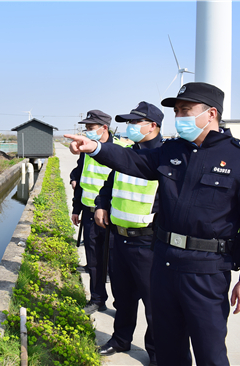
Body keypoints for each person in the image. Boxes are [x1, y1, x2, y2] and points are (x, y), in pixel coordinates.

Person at [64, 82, 240, 366]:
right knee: (168, 349)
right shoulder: (172, 151)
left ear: (211, 113)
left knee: (209, 351)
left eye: (186, 110)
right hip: (164, 264)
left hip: (206, 271)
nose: (180, 117)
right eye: (177, 111)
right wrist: (97, 147)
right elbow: (131, 160)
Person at [94, 102, 164, 366]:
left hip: (148, 241)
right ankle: (121, 339)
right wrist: (101, 205)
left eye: (136, 123)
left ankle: (156, 353)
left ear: (153, 126)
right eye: (129, 123)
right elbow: (108, 185)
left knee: (154, 302)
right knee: (123, 296)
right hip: (119, 238)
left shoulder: (165, 157)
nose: (130, 127)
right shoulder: (127, 154)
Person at [69, 110, 130, 315]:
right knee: (94, 261)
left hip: (112, 216)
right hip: (89, 213)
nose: (87, 132)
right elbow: (81, 176)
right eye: (85, 128)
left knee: (115, 264)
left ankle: (122, 305)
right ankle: (97, 299)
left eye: (90, 128)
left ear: (104, 127)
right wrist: (76, 208)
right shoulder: (86, 150)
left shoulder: (121, 149)